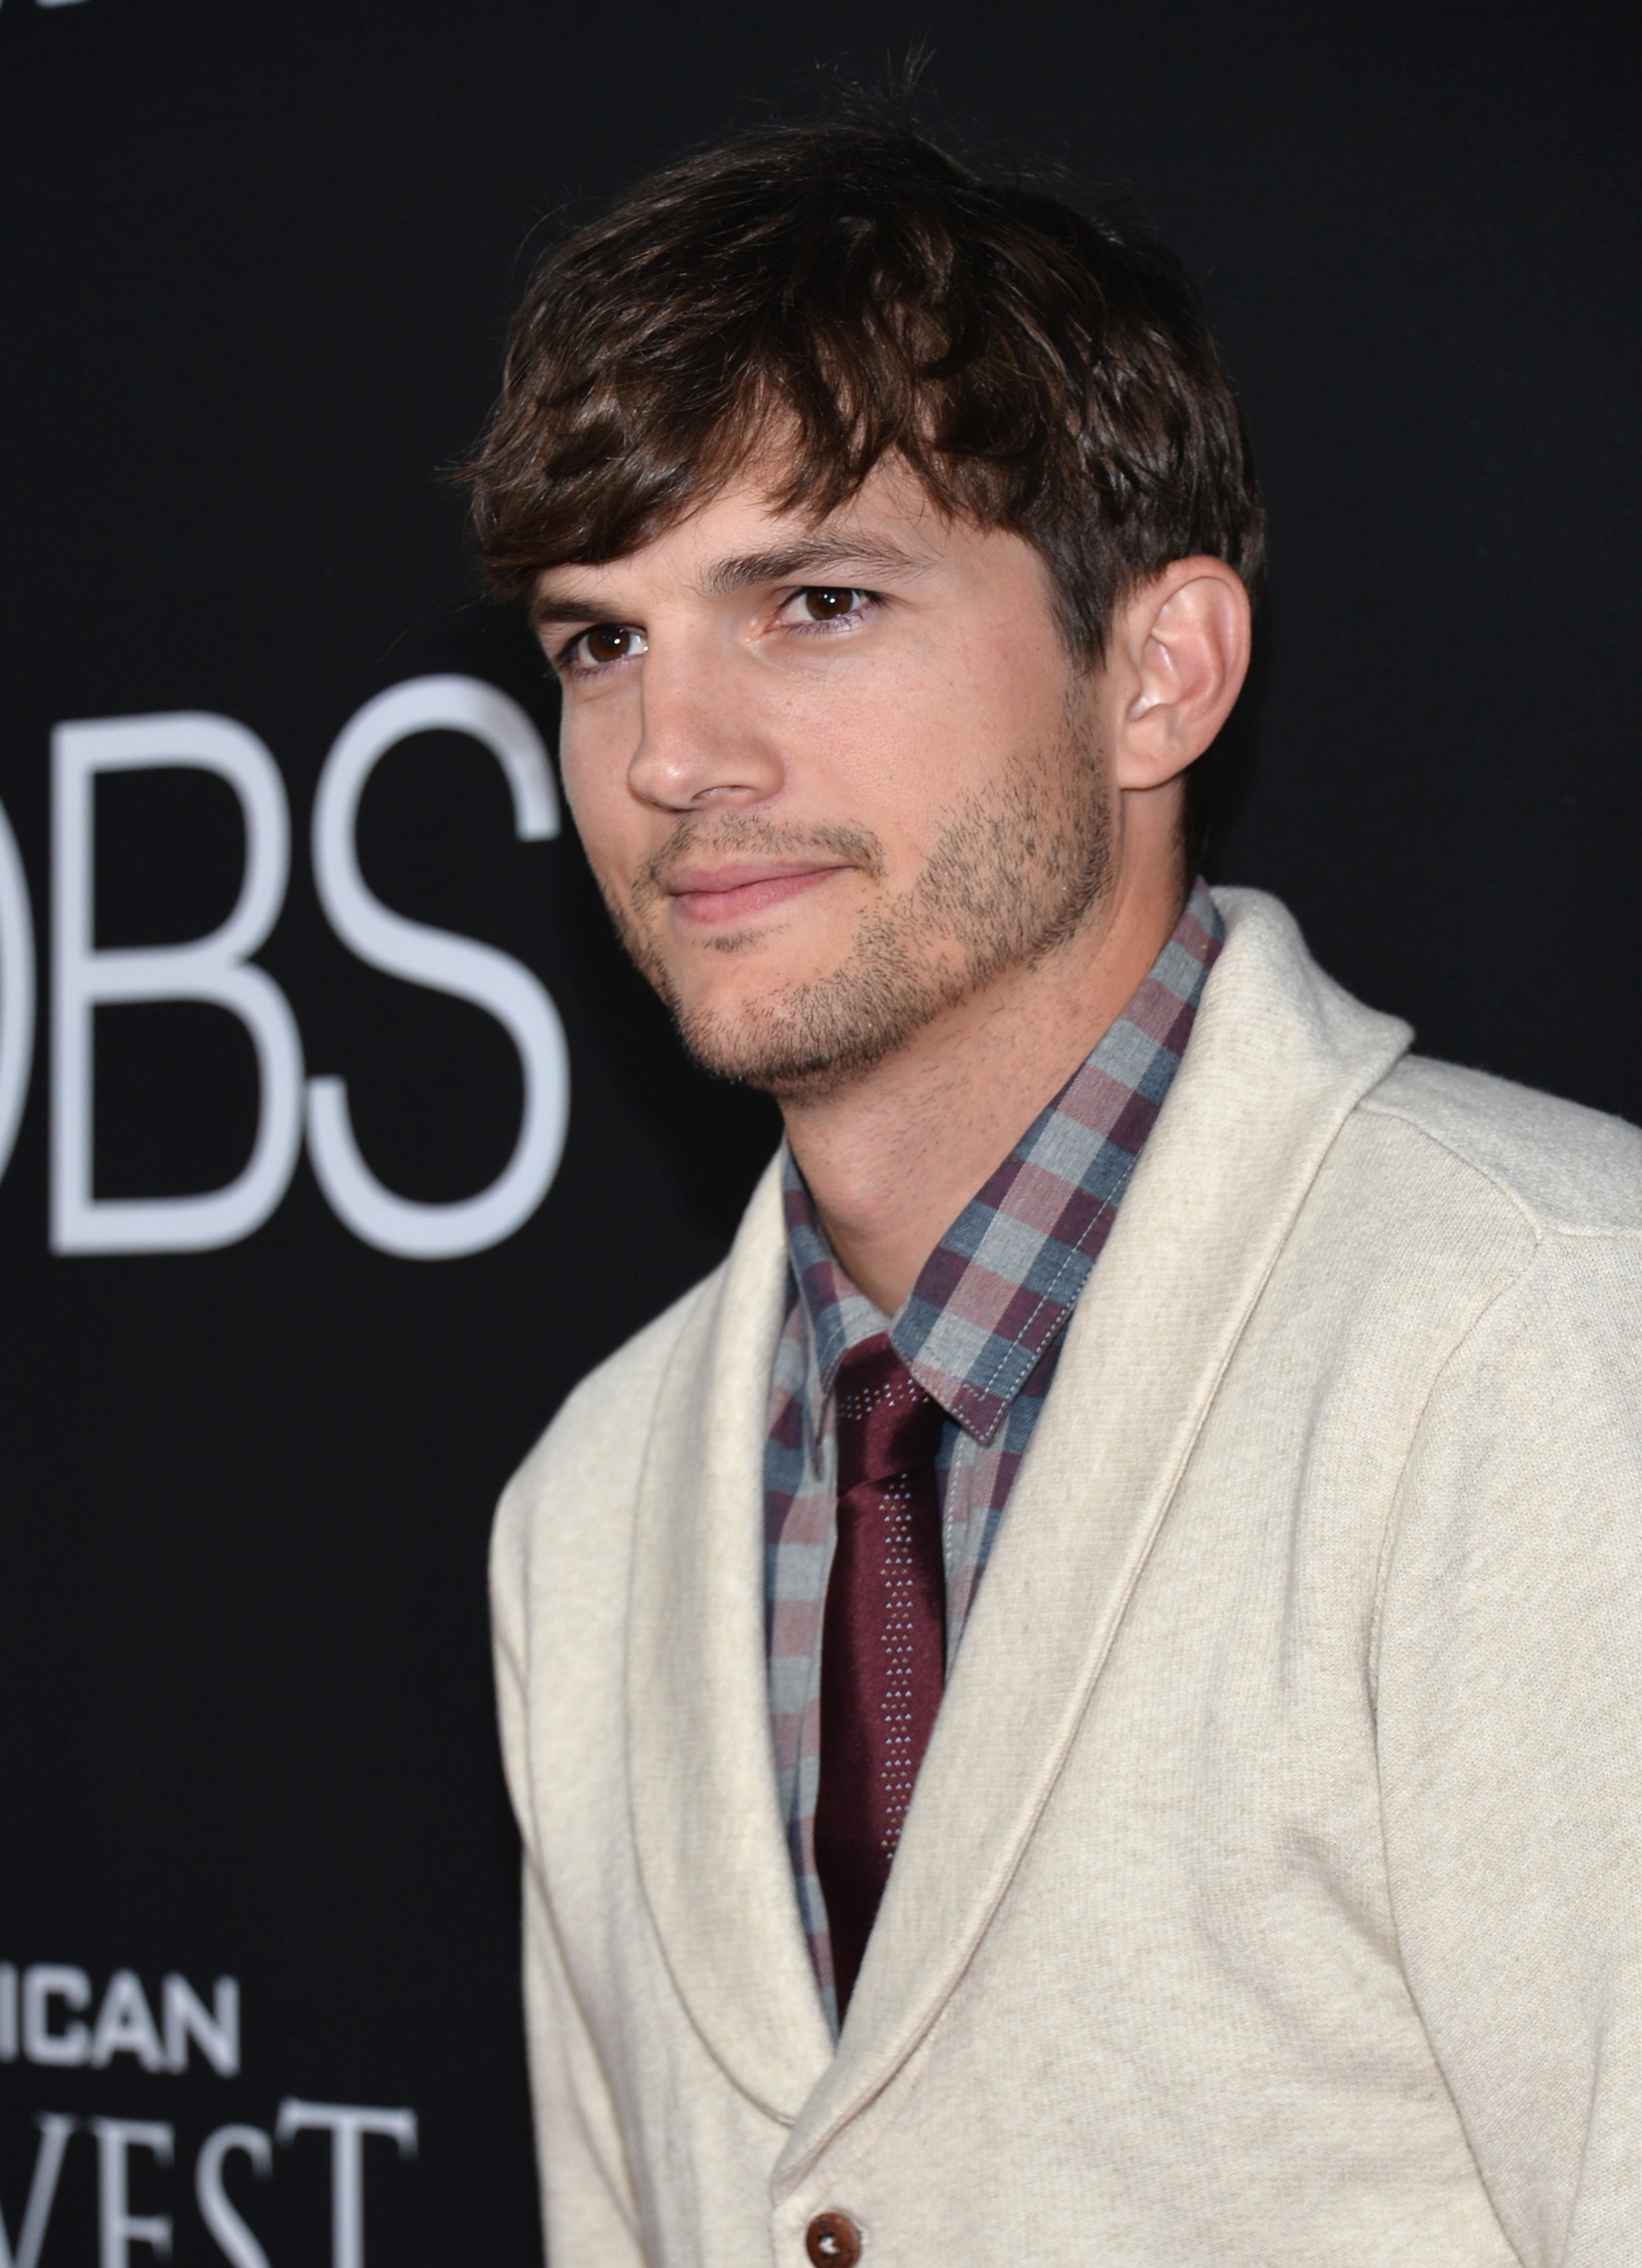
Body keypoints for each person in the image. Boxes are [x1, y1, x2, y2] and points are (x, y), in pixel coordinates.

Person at [467, 116, 1642, 2268]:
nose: (668, 756)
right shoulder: (590, 1501)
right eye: (595, 643)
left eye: (813, 603)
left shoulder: (1540, 1342)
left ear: (1159, 671)